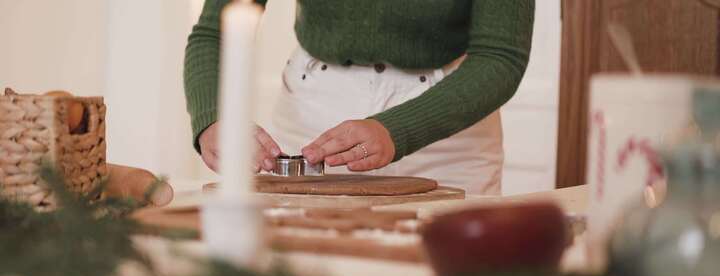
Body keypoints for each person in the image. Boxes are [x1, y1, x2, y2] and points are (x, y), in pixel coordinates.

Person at [185, 0, 534, 195]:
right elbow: (214, 31)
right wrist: (212, 117)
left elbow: (501, 57)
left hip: (449, 121)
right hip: (310, 117)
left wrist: (397, 129)